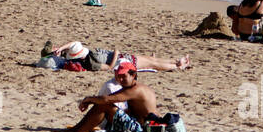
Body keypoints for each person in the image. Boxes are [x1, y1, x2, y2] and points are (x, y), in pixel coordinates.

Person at [54, 61, 160, 132]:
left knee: (103, 105)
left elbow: (106, 99)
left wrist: (88, 99)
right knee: (102, 104)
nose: (120, 80)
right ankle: (74, 130)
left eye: (124, 76)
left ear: (133, 75)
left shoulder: (136, 90)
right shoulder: (133, 86)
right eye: (119, 77)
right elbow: (110, 98)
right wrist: (90, 101)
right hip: (140, 123)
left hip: (141, 129)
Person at [44, 40, 189, 72]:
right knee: (152, 63)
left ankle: (176, 61)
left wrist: (60, 48)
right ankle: (177, 66)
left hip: (122, 57)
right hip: (121, 61)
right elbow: (108, 67)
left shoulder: (84, 55)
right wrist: (116, 54)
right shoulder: (89, 62)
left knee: (150, 59)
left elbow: (72, 43)